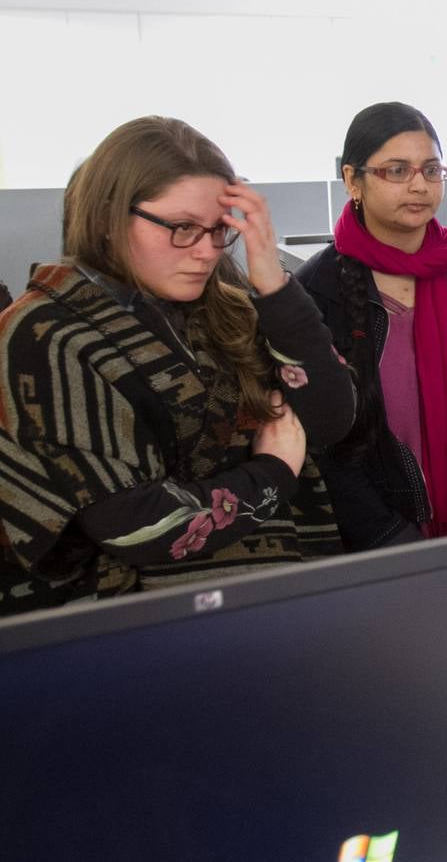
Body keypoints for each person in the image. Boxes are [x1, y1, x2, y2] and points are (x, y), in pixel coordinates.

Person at [0, 116, 352, 615]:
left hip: (275, 600)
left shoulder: (230, 308)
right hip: (136, 629)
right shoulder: (46, 332)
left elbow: (332, 417)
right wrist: (274, 471)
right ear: (107, 217)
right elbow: (137, 524)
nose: (207, 252)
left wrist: (272, 281)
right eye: (183, 228)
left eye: (218, 230)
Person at [295, 102, 447, 549]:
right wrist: (385, 534)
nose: (419, 185)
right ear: (353, 180)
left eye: (431, 170)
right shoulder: (315, 290)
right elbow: (323, 440)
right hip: (378, 538)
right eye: (397, 171)